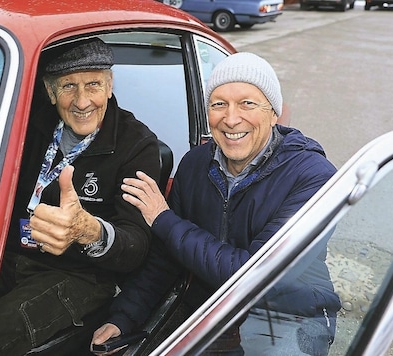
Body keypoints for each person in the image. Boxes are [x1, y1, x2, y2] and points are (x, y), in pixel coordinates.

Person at [91, 52, 341, 355]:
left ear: (273, 113)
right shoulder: (195, 163)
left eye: (247, 103)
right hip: (208, 311)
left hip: (288, 313)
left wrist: (164, 218)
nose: (231, 118)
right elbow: (166, 257)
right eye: (219, 104)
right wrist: (124, 317)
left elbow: (252, 274)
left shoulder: (313, 177)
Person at [0, 37, 161, 355]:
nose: (82, 101)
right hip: (5, 256)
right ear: (50, 92)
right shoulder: (25, 122)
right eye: (68, 86)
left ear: (109, 86)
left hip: (80, 276)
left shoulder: (138, 145)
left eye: (92, 84)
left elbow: (137, 245)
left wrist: (86, 230)